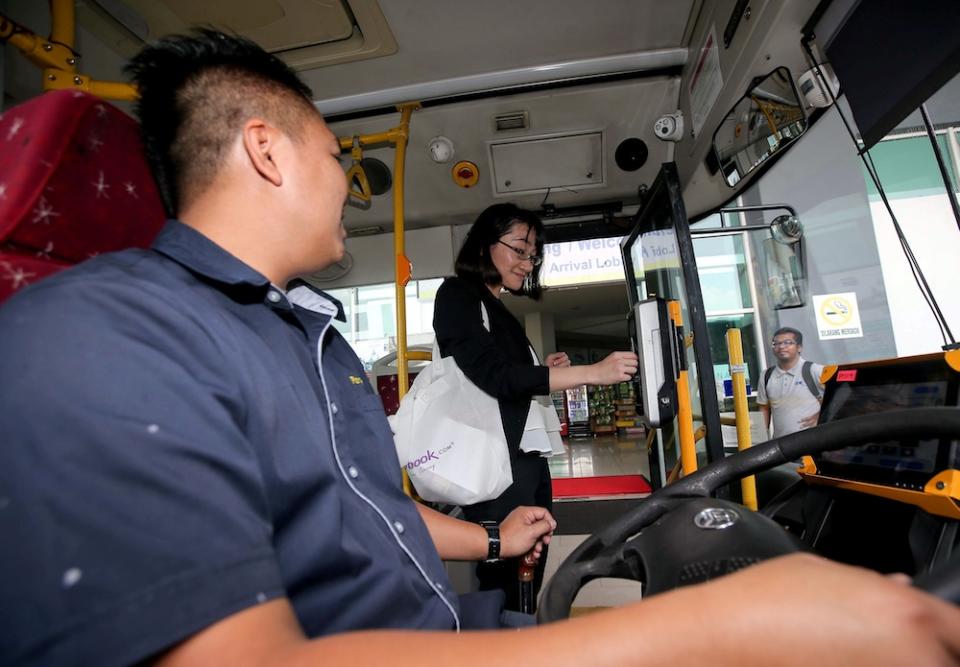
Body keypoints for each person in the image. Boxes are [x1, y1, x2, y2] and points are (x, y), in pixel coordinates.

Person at [1, 30, 958, 667]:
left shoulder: (306, 342)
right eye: (336, 154)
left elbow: (358, 516)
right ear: (267, 150)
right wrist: (712, 626)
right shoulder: (103, 338)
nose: (349, 181)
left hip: (456, 621)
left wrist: (495, 538)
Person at [432, 203, 638, 611]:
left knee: (526, 574)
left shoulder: (498, 308)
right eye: (520, 249)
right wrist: (590, 373)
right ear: (485, 244)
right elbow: (495, 376)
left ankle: (520, 636)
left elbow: (505, 379)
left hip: (522, 463)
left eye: (533, 254)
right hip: (495, 471)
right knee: (503, 584)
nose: (528, 262)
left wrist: (541, 370)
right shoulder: (458, 294)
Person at [757, 326, 825, 439]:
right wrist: (759, 439)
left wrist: (820, 416)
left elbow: (838, 397)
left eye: (787, 343)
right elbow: (764, 409)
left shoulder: (814, 370)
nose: (781, 347)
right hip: (781, 446)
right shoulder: (766, 376)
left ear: (799, 347)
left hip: (814, 442)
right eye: (776, 344)